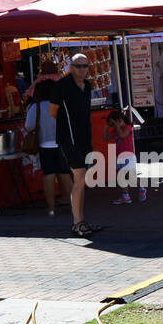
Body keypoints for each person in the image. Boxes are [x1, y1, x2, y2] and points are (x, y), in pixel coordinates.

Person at [48, 53, 101, 238]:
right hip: (68, 138)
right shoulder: (62, 85)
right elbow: (51, 111)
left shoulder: (87, 86)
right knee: (79, 177)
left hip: (84, 138)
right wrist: (66, 126)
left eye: (85, 66)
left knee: (82, 178)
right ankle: (77, 222)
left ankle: (81, 220)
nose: (83, 69)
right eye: (78, 66)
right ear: (71, 67)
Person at [24, 60, 73, 217]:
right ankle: (74, 205)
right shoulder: (62, 104)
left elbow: (29, 126)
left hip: (45, 144)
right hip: (62, 143)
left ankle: (51, 209)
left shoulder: (35, 107)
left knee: (49, 175)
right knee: (65, 174)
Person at [105, 108, 144, 203]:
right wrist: (106, 128)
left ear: (121, 120)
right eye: (113, 123)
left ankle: (141, 189)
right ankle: (125, 195)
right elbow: (105, 138)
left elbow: (122, 135)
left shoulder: (128, 128)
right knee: (120, 176)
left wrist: (117, 126)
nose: (115, 125)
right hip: (118, 155)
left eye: (118, 122)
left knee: (131, 176)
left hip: (128, 156)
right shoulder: (115, 130)